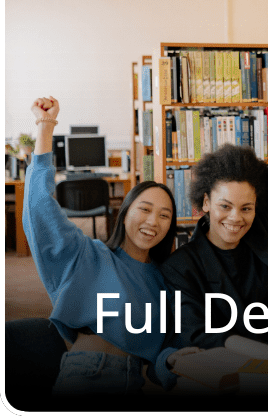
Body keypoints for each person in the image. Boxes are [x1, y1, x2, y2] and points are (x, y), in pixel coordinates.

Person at [22, 96, 197, 395]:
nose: (153, 221)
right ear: (124, 211)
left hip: (140, 384)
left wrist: (173, 362)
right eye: (144, 209)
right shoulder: (87, 255)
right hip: (89, 372)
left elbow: (167, 351)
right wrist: (45, 126)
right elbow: (39, 207)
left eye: (164, 215)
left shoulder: (166, 280)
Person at [160, 53, 268, 353]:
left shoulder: (264, 232)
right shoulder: (181, 267)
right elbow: (193, 335)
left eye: (246, 208)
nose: (236, 218)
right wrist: (262, 353)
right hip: (231, 374)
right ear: (205, 202)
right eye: (225, 206)